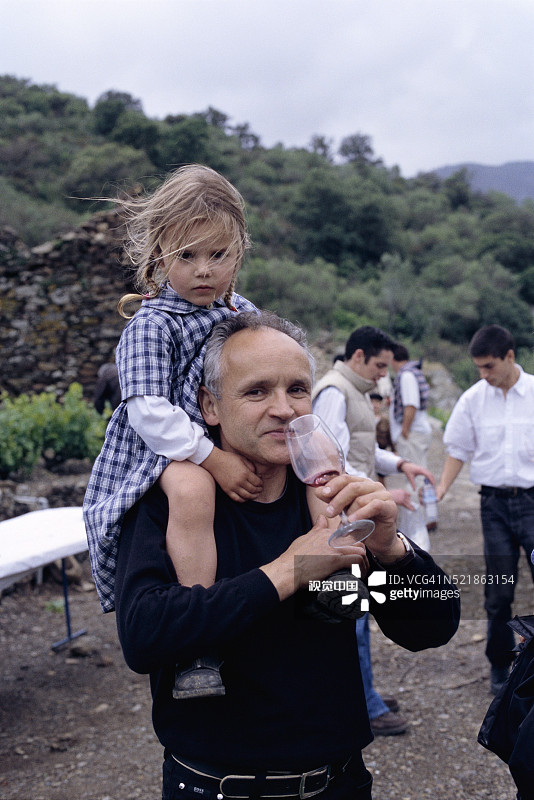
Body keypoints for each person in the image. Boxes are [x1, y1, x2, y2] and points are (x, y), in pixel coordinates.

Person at [113, 310, 460, 800]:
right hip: (218, 788)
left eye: (297, 390)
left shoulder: (330, 499)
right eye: (257, 392)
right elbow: (146, 636)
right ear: (210, 406)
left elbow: (432, 628)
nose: (284, 408)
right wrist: (290, 570)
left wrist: (391, 550)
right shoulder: (172, 502)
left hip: (338, 782)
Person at [84, 165, 260, 700]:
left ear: (239, 253)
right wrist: (213, 458)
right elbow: (148, 412)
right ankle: (196, 640)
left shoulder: (245, 314)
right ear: (159, 255)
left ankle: (329, 581)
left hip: (227, 435)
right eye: (187, 256)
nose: (203, 270)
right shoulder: (152, 324)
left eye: (218, 255)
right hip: (167, 449)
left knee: (314, 459)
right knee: (191, 489)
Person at [312, 326, 436, 736]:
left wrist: (400, 465)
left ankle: (364, 692)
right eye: (380, 365)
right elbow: (330, 459)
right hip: (345, 516)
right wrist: (384, 495)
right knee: (355, 611)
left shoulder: (354, 390)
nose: (384, 375)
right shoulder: (333, 392)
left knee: (360, 610)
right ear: (360, 356)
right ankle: (365, 703)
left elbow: (361, 447)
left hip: (358, 512)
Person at [436, 324, 534, 694]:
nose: (483, 375)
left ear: (510, 357)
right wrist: (441, 489)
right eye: (478, 367)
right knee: (499, 590)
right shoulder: (473, 399)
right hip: (494, 505)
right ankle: (500, 664)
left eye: (489, 366)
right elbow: (458, 449)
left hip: (532, 501)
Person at [389, 343, 434, 544]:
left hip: (412, 433)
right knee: (419, 475)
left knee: (414, 478)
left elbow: (411, 405)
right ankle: (425, 518)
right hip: (417, 431)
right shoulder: (413, 372)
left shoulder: (406, 375)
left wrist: (404, 430)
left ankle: (417, 524)